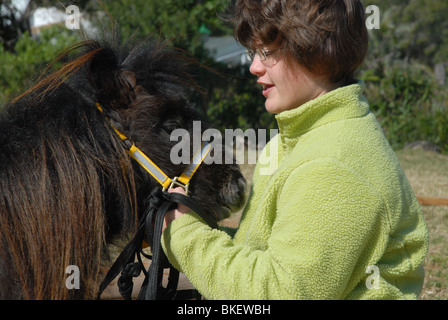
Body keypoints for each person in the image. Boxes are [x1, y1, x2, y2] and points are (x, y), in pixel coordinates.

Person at [161, 0, 429, 299]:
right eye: (254, 52)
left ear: (318, 53)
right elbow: (264, 253)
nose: (253, 66)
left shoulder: (333, 166)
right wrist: (186, 230)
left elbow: (280, 292)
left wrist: (185, 235)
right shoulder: (294, 141)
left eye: (267, 53)